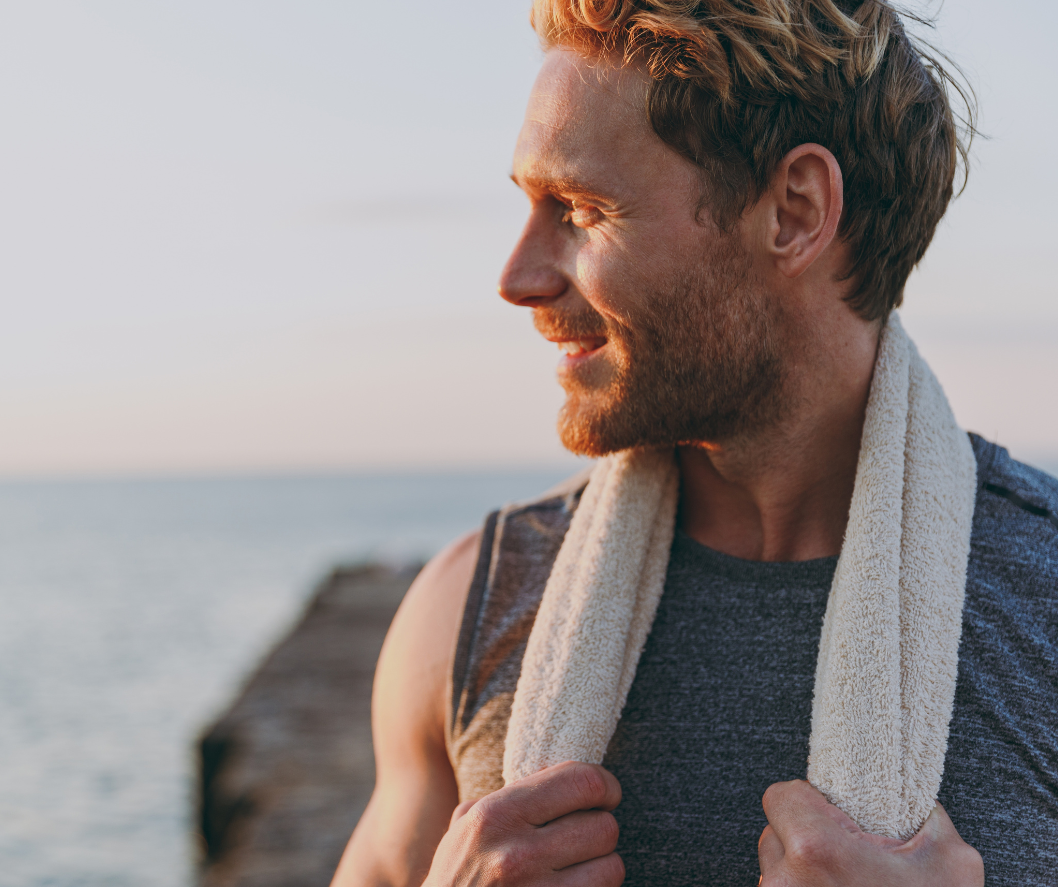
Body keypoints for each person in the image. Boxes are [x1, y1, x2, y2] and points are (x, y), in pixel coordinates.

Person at [331, 1, 1058, 884]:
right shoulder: (463, 614)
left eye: (581, 209)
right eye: (528, 205)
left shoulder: (1042, 601)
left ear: (794, 211)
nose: (517, 277)